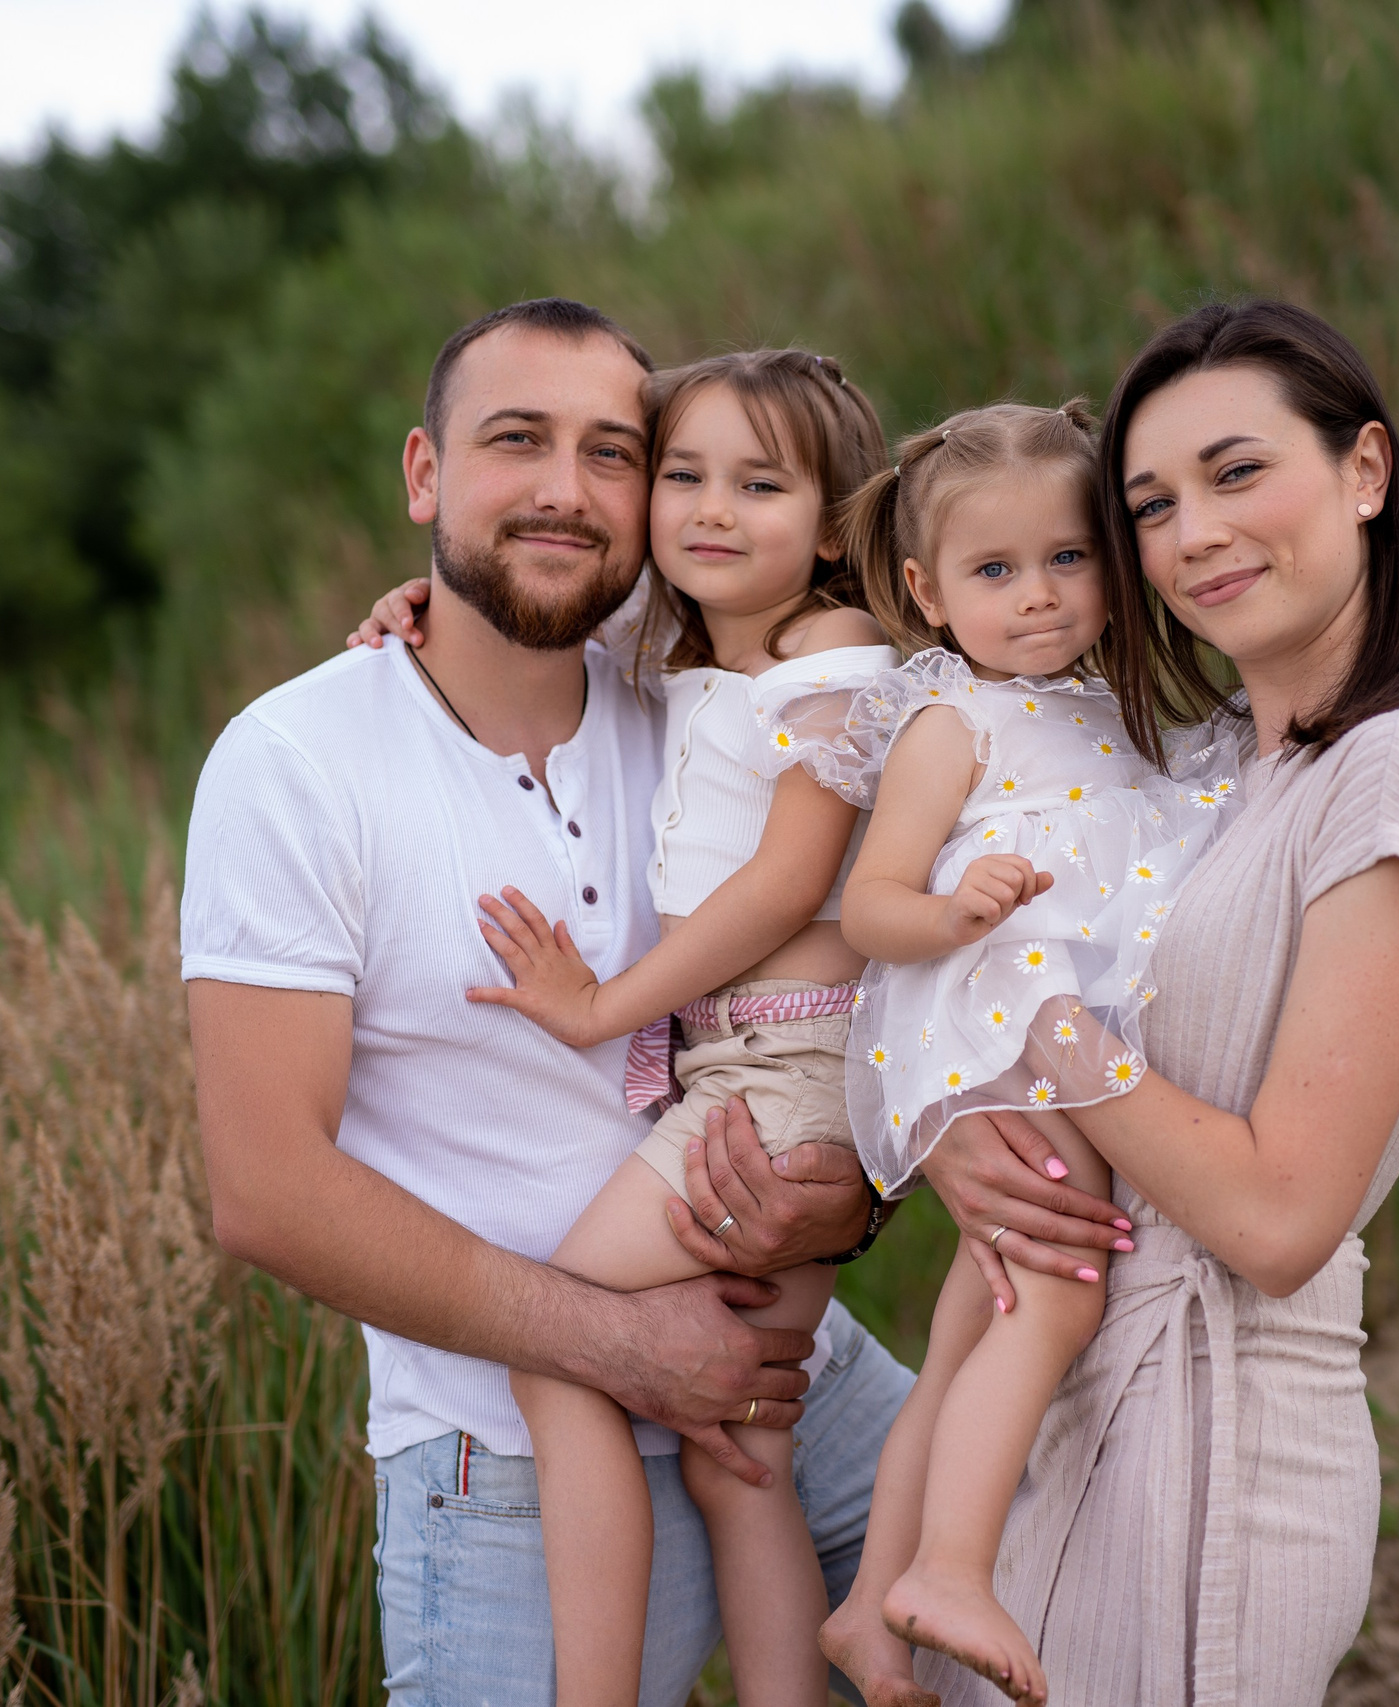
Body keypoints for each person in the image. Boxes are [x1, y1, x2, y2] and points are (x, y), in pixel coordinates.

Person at [179, 299, 1034, 1706]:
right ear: (423, 474)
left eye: (614, 452)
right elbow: (266, 1190)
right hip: (506, 1454)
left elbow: (856, 947)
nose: (567, 492)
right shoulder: (293, 761)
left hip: (787, 1376)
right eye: (516, 442)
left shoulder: (690, 683)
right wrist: (615, 1342)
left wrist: (862, 1198)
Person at [903, 300, 1399, 1705]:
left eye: (1237, 474)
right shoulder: (1208, 765)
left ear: (1363, 473)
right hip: (1066, 1408)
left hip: (1217, 1445)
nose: (1191, 534)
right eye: (1150, 505)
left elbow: (1277, 1216)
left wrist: (1037, 1024)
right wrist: (956, 1134)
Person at [450, 347, 898, 1707]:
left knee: (557, 1349)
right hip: (756, 1065)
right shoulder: (698, 659)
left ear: (830, 527)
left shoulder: (830, 658)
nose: (707, 508)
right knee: (737, 1448)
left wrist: (598, 1009)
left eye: (756, 484)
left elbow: (777, 885)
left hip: (784, 1067)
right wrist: (420, 606)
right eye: (682, 475)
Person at [813, 402, 1239, 1704]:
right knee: (1055, 1288)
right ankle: (950, 1567)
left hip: (1049, 1025)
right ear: (924, 593)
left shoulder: (1112, 709)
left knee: (971, 1326)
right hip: (994, 1012)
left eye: (1067, 559)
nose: (1040, 597)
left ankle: (871, 1616)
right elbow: (870, 901)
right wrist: (953, 913)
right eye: (995, 573)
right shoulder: (953, 723)